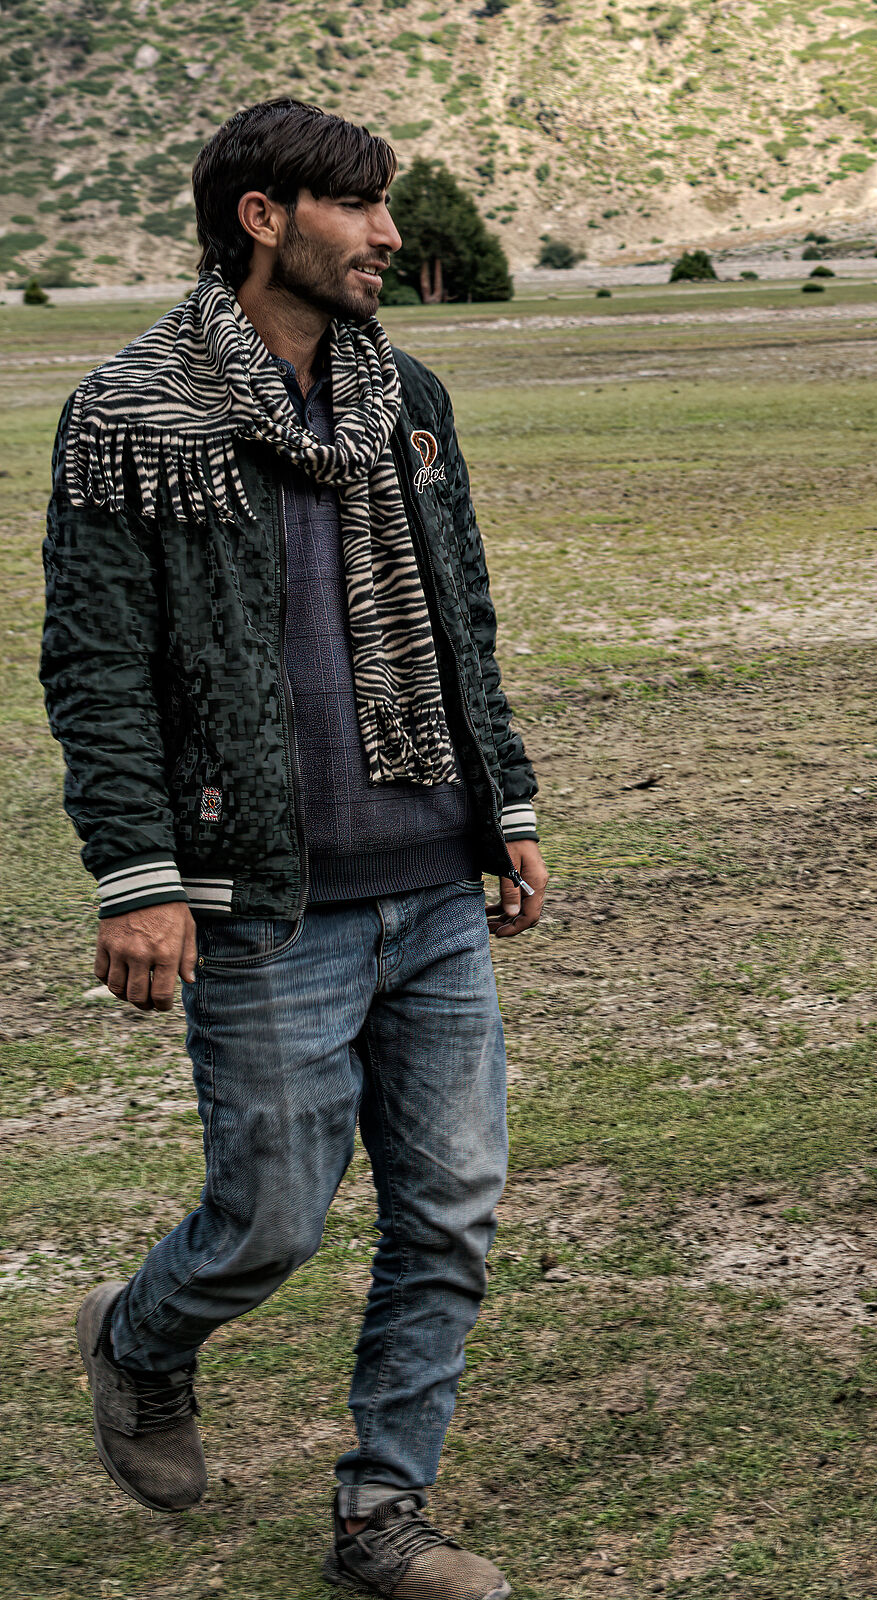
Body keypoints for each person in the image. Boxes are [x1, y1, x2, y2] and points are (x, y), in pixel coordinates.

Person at [46, 99, 541, 1600]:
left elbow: (463, 618)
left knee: (449, 1210)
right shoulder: (132, 418)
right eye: (362, 211)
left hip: (432, 885)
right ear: (265, 218)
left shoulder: (413, 404)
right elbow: (98, 667)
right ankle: (140, 1340)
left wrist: (503, 806)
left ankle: (382, 1514)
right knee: (266, 1218)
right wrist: (136, 881)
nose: (393, 236)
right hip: (262, 899)